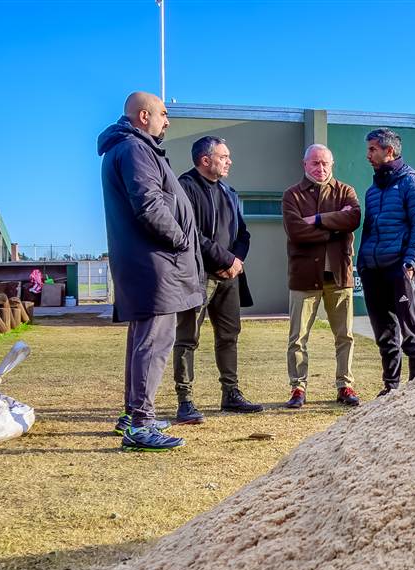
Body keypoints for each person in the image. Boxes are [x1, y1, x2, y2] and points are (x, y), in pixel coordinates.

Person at [98, 91, 201, 452]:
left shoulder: (130, 148)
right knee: (153, 345)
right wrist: (181, 240)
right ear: (143, 116)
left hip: (150, 264)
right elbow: (149, 205)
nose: (167, 120)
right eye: (162, 113)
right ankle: (141, 424)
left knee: (144, 342)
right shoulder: (135, 149)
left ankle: (134, 415)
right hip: (155, 265)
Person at [172, 136, 263, 423]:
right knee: (187, 338)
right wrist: (225, 260)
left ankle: (230, 395)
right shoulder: (184, 187)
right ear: (205, 160)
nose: (229, 161)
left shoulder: (229, 192)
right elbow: (191, 234)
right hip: (198, 277)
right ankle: (185, 400)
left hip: (230, 278)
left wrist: (235, 262)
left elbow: (243, 234)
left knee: (229, 336)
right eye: (224, 156)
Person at [281, 144, 362, 408]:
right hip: (304, 276)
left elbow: (353, 219)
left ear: (332, 164)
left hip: (339, 276)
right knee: (298, 337)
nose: (321, 168)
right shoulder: (292, 195)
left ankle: (345, 385)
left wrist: (315, 220)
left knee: (345, 335)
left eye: (325, 163)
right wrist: (333, 229)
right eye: (315, 163)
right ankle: (298, 388)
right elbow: (296, 232)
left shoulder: (345, 191)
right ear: (305, 165)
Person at [356, 128, 415, 396]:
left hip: (401, 269)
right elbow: (369, 229)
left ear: (389, 151)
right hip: (372, 270)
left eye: (372, 149)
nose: (368, 155)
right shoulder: (372, 191)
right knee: (384, 334)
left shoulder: (412, 184)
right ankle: (390, 387)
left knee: (410, 333)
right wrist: (362, 262)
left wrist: (411, 262)